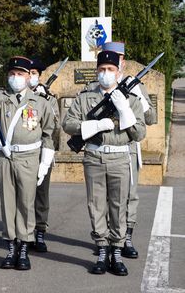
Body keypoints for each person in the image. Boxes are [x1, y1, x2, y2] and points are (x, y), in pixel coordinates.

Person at [62, 50, 146, 276]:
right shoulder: (84, 97)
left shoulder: (132, 100)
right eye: (102, 70)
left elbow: (139, 134)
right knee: (96, 204)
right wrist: (93, 126)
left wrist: (124, 110)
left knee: (119, 206)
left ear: (119, 73)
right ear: (97, 72)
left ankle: (117, 251)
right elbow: (68, 124)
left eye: (111, 70)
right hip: (94, 156)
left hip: (120, 157)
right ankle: (101, 249)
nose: (106, 74)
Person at [0, 56, 56, 271]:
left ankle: (24, 246)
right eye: (12, 74)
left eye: (20, 74)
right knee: (8, 203)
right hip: (5, 157)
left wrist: (44, 164)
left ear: (28, 76)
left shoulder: (40, 102)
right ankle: (11, 246)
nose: (15, 78)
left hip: (29, 159)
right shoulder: (1, 97)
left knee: (26, 202)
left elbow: (49, 135)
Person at [101, 41, 157, 259]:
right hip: (104, 145)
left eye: (118, 57)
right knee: (105, 196)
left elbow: (151, 118)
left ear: (123, 61)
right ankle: (105, 239)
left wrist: (138, 96)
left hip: (128, 147)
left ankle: (126, 238)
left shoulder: (135, 85)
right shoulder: (98, 84)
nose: (113, 61)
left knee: (129, 195)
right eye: (108, 56)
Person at [28, 58, 60, 252]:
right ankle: (24, 232)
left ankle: (39, 231)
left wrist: (45, 101)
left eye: (34, 74)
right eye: (28, 73)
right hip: (23, 152)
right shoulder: (18, 96)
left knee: (41, 194)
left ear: (39, 77)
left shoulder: (49, 98)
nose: (31, 77)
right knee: (22, 194)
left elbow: (55, 128)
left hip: (42, 151)